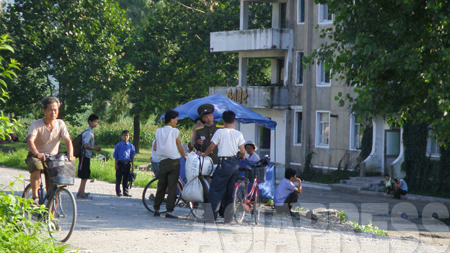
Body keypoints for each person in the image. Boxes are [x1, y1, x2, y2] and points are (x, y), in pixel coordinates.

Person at [197, 110, 245, 223]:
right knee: (230, 191)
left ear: (223, 121)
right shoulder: (239, 134)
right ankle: (228, 218)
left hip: (224, 163)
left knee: (216, 190)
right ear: (234, 121)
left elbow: (211, 147)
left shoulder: (219, 132)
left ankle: (210, 217)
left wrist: (204, 155)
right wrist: (241, 157)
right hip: (234, 163)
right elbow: (242, 151)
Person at [26, 97, 75, 203]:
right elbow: (30, 140)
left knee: (54, 188)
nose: (53, 112)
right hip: (36, 155)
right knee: (36, 166)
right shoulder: (36, 124)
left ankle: (50, 217)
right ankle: (35, 197)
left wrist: (71, 155)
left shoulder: (60, 123)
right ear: (44, 111)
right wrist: (37, 153)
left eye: (55, 110)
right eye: (50, 110)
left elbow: (67, 140)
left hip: (52, 158)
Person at [153, 110, 187, 219]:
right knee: (172, 186)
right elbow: (179, 147)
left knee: (161, 185)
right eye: (176, 119)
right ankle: (169, 211)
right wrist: (185, 157)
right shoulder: (175, 131)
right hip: (174, 162)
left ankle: (156, 209)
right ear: (172, 119)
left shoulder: (158, 131)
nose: (177, 121)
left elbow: (156, 146)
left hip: (162, 162)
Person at [76, 114, 102, 199]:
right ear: (90, 122)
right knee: (84, 175)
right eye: (95, 122)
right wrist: (94, 148)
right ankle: (81, 193)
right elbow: (85, 145)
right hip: (84, 155)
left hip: (87, 155)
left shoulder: (90, 131)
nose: (96, 124)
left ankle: (80, 191)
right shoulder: (88, 133)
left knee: (86, 174)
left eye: (97, 122)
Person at [113, 130, 135, 197]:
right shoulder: (118, 145)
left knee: (126, 179)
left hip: (127, 163)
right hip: (120, 163)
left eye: (127, 135)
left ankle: (125, 192)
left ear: (129, 137)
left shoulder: (131, 146)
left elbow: (132, 156)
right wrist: (116, 164)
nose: (125, 137)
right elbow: (115, 155)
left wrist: (132, 165)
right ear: (122, 136)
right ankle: (118, 192)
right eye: (124, 135)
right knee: (118, 178)